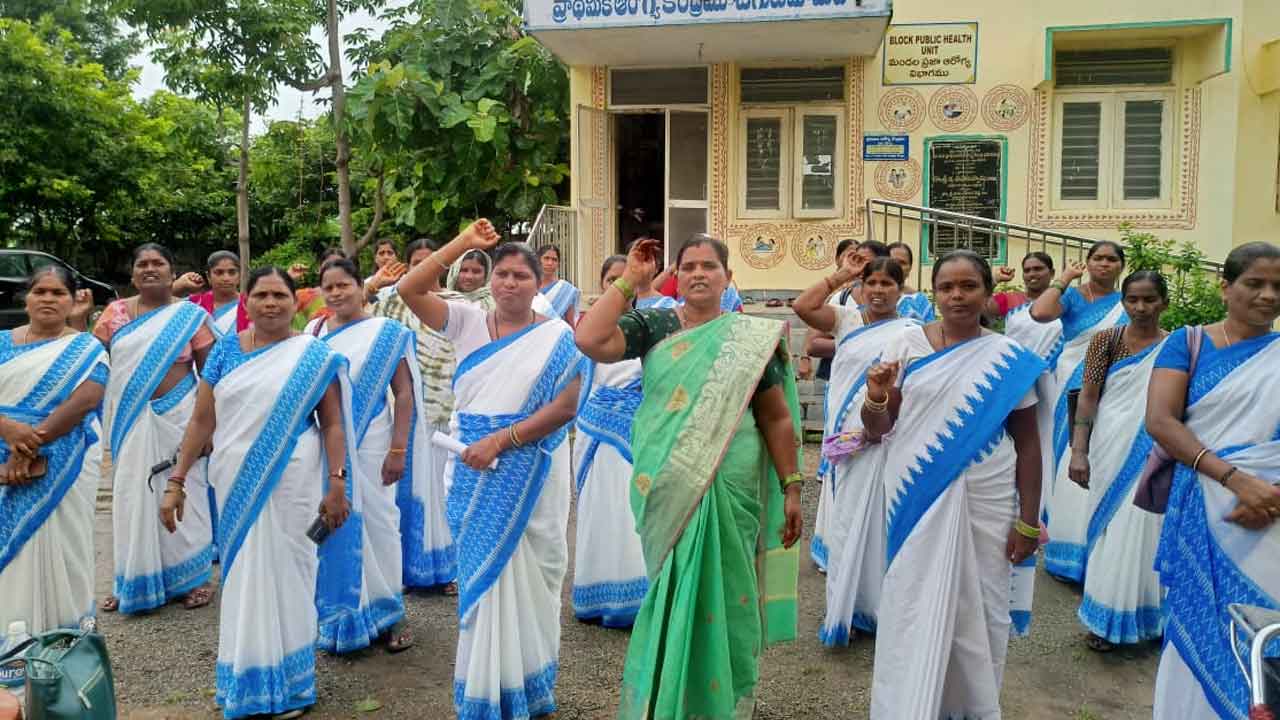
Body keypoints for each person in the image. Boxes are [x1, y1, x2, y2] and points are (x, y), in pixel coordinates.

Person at [575, 235, 804, 720]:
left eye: (709, 266)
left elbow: (777, 417)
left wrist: (793, 486)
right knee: (670, 588)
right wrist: (630, 281)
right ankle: (667, 701)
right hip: (668, 478)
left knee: (727, 587)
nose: (699, 274)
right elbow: (590, 340)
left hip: (733, 476)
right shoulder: (655, 322)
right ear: (676, 276)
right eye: (689, 266)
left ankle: (721, 702)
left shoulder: (750, 338)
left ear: (727, 277)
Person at [397, 221, 582, 719]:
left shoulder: (558, 336)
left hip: (531, 464)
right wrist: (461, 244)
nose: (510, 284)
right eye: (501, 274)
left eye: (521, 276)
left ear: (538, 284)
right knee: (483, 574)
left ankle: (527, 685)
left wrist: (503, 439)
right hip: (471, 462)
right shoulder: (465, 320)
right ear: (488, 279)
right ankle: (484, 687)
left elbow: (566, 408)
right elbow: (408, 288)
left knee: (536, 571)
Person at [160, 266, 354, 720]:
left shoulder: (313, 354)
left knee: (292, 571)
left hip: (295, 479)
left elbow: (332, 423)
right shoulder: (226, 350)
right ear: (246, 302)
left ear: (295, 302)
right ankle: (245, 681)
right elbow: (202, 421)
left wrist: (338, 483)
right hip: (234, 478)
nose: (270, 303)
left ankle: (289, 686)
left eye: (279, 295)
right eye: (262, 295)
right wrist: (177, 479)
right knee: (244, 573)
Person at [863, 250, 1044, 719]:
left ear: (987, 293)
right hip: (915, 492)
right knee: (910, 600)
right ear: (933, 293)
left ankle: (972, 707)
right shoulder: (907, 344)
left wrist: (1028, 522)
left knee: (980, 607)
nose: (957, 296)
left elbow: (1028, 446)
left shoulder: (1007, 359)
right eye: (947, 287)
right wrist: (877, 395)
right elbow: (878, 429)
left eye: (968, 286)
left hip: (988, 494)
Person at [1146, 242, 1280, 720]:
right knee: (1197, 621)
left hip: (1271, 520)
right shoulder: (1188, 342)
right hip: (1206, 504)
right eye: (1254, 283)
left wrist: (1270, 496)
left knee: (1263, 634)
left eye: (1277, 287)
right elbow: (1161, 421)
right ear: (1225, 288)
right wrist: (1236, 480)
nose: (1267, 295)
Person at [793, 253, 917, 645]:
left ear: (901, 290)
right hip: (847, 443)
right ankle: (845, 608)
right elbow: (802, 307)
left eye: (888, 284)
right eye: (872, 283)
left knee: (881, 522)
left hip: (884, 437)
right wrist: (840, 276)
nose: (878, 290)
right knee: (847, 521)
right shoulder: (847, 320)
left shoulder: (912, 331)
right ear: (861, 288)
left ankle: (880, 609)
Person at [96, 243, 216, 614]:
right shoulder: (114, 314)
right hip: (130, 419)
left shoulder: (190, 317)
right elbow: (94, 365)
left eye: (158, 263)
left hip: (180, 415)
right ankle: (131, 576)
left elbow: (212, 375)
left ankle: (193, 579)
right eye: (142, 264)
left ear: (171, 271)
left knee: (187, 492)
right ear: (132, 275)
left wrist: (210, 429)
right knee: (132, 494)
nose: (150, 269)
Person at [307, 258, 415, 653]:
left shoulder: (386, 332)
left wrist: (398, 449)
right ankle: (341, 616)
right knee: (333, 521)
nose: (336, 293)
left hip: (373, 441)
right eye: (329, 287)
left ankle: (388, 611)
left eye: (343, 285)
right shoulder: (314, 331)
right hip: (325, 443)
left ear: (360, 286)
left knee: (381, 524)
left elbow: (403, 393)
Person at [0, 267, 108, 634]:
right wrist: (9, 430)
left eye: (58, 293)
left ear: (73, 300)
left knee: (65, 548)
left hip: (64, 461)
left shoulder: (86, 346)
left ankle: (65, 642)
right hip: (2, 453)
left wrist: (28, 445)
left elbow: (86, 400)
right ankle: (11, 648)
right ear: (26, 298)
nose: (48, 299)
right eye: (40, 291)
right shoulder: (1, 342)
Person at [1068, 271, 1169, 652]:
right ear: (1123, 302)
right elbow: (1089, 396)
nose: (1140, 308)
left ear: (1164, 302)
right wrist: (1080, 450)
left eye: (1149, 300)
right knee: (1108, 527)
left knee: (1144, 528)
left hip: (1152, 446)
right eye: (1132, 300)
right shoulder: (1107, 340)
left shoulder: (1175, 346)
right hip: (1110, 441)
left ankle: (1145, 616)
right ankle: (1104, 618)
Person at [1030, 240, 1127, 582]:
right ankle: (1067, 545)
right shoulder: (1072, 297)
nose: (1104, 264)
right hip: (1071, 386)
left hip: (1115, 387)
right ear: (1087, 263)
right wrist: (1065, 279)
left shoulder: (1125, 302)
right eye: (1097, 258)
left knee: (1104, 455)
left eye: (1111, 259)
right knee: (1071, 453)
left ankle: (1098, 540)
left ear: (1120, 266)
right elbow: (1039, 313)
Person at [569, 256, 654, 629]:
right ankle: (595, 593)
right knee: (598, 509)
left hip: (637, 433)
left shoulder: (652, 327)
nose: (618, 285)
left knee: (631, 510)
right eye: (610, 279)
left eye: (625, 279)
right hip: (595, 433)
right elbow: (577, 384)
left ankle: (636, 597)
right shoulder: (586, 330)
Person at [372, 238, 459, 593]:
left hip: (449, 407)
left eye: (431, 261)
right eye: (417, 262)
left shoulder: (457, 306)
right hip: (406, 408)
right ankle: (413, 569)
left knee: (445, 488)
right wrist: (373, 283)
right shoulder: (391, 302)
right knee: (412, 489)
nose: (426, 268)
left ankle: (448, 570)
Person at [174, 251, 250, 337]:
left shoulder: (250, 305)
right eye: (219, 273)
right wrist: (180, 285)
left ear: (239, 275)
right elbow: (159, 305)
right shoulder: (196, 304)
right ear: (208, 276)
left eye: (232, 272)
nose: (226, 278)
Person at [290, 247, 346, 331]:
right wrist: (288, 278)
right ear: (319, 269)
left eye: (339, 264)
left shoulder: (353, 293)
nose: (333, 268)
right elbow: (279, 308)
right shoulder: (306, 295)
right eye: (328, 264)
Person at [887, 241, 936, 322]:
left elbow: (929, 330)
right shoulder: (873, 295)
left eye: (902, 263)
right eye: (892, 262)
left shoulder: (921, 301)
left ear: (910, 268)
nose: (897, 267)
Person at [537, 244, 581, 325]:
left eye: (554, 260)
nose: (550, 263)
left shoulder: (566, 290)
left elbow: (571, 323)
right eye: (546, 258)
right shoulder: (529, 287)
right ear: (538, 260)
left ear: (558, 263)